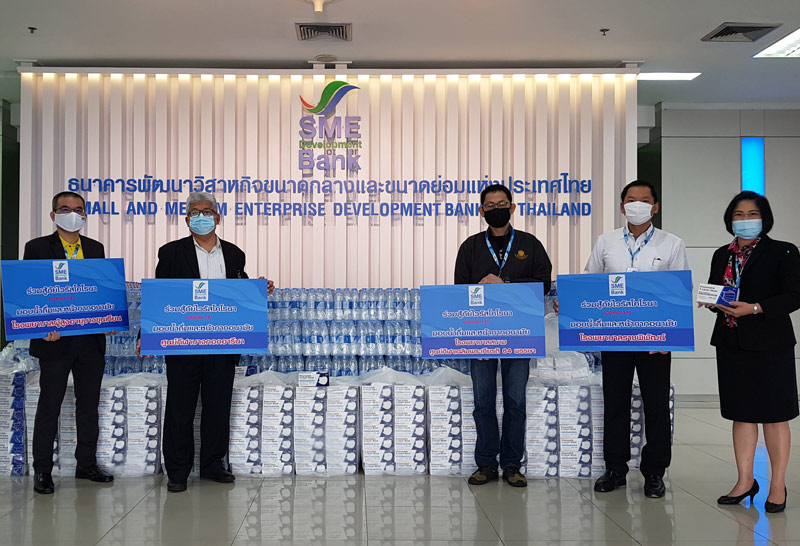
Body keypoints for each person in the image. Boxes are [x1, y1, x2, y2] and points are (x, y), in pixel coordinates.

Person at [136, 192, 273, 492]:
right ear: (187, 220)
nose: (201, 217)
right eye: (195, 212)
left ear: (217, 217)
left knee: (217, 407)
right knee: (180, 408)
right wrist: (145, 333)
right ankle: (177, 471)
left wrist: (258, 289)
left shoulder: (234, 254)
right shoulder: (171, 253)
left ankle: (213, 464)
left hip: (223, 344)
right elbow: (158, 296)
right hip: (183, 343)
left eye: (207, 212)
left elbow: (240, 291)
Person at [585, 180, 688, 499]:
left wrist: (670, 338)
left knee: (656, 405)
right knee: (615, 402)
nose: (637, 205)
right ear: (622, 207)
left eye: (644, 200)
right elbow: (589, 283)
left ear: (655, 207)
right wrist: (570, 303)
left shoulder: (672, 244)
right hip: (614, 337)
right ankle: (615, 468)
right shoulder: (606, 242)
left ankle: (654, 471)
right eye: (631, 200)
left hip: (655, 340)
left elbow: (679, 293)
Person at [704, 191, 800, 513]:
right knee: (741, 413)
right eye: (738, 215)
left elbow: (794, 296)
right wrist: (712, 302)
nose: (745, 220)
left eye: (751, 214)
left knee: (775, 415)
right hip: (731, 342)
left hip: (771, 344)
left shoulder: (784, 251)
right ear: (730, 220)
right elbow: (717, 290)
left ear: (764, 218)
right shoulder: (722, 254)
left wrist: (756, 308)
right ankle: (745, 480)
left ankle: (777, 484)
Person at [454, 183, 552, 488]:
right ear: (481, 211)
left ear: (512, 207)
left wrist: (505, 282)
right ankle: (485, 464)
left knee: (515, 401)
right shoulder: (470, 247)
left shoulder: (529, 244)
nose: (496, 209)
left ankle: (512, 464)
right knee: (482, 402)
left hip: (519, 334)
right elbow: (459, 293)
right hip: (481, 335)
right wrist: (472, 339)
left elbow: (543, 284)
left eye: (501, 204)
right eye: (490, 206)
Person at [24, 191, 114, 494]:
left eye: (78, 209)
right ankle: (42, 470)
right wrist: (41, 326)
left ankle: (86, 464)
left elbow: (100, 291)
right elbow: (30, 291)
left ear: (85, 215)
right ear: (53, 215)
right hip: (54, 342)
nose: (72, 214)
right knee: (50, 405)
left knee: (88, 405)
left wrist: (107, 317)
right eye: (65, 209)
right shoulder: (37, 248)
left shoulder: (95, 248)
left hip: (89, 342)